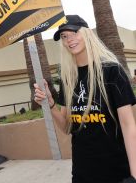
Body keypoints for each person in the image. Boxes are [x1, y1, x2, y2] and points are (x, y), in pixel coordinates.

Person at [34, 14, 136, 183]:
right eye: (64, 36)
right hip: (82, 172)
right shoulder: (69, 79)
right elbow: (67, 127)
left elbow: (128, 125)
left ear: (86, 33)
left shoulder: (112, 71)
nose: (69, 39)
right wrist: (50, 104)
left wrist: (134, 174)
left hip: (116, 171)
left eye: (74, 33)